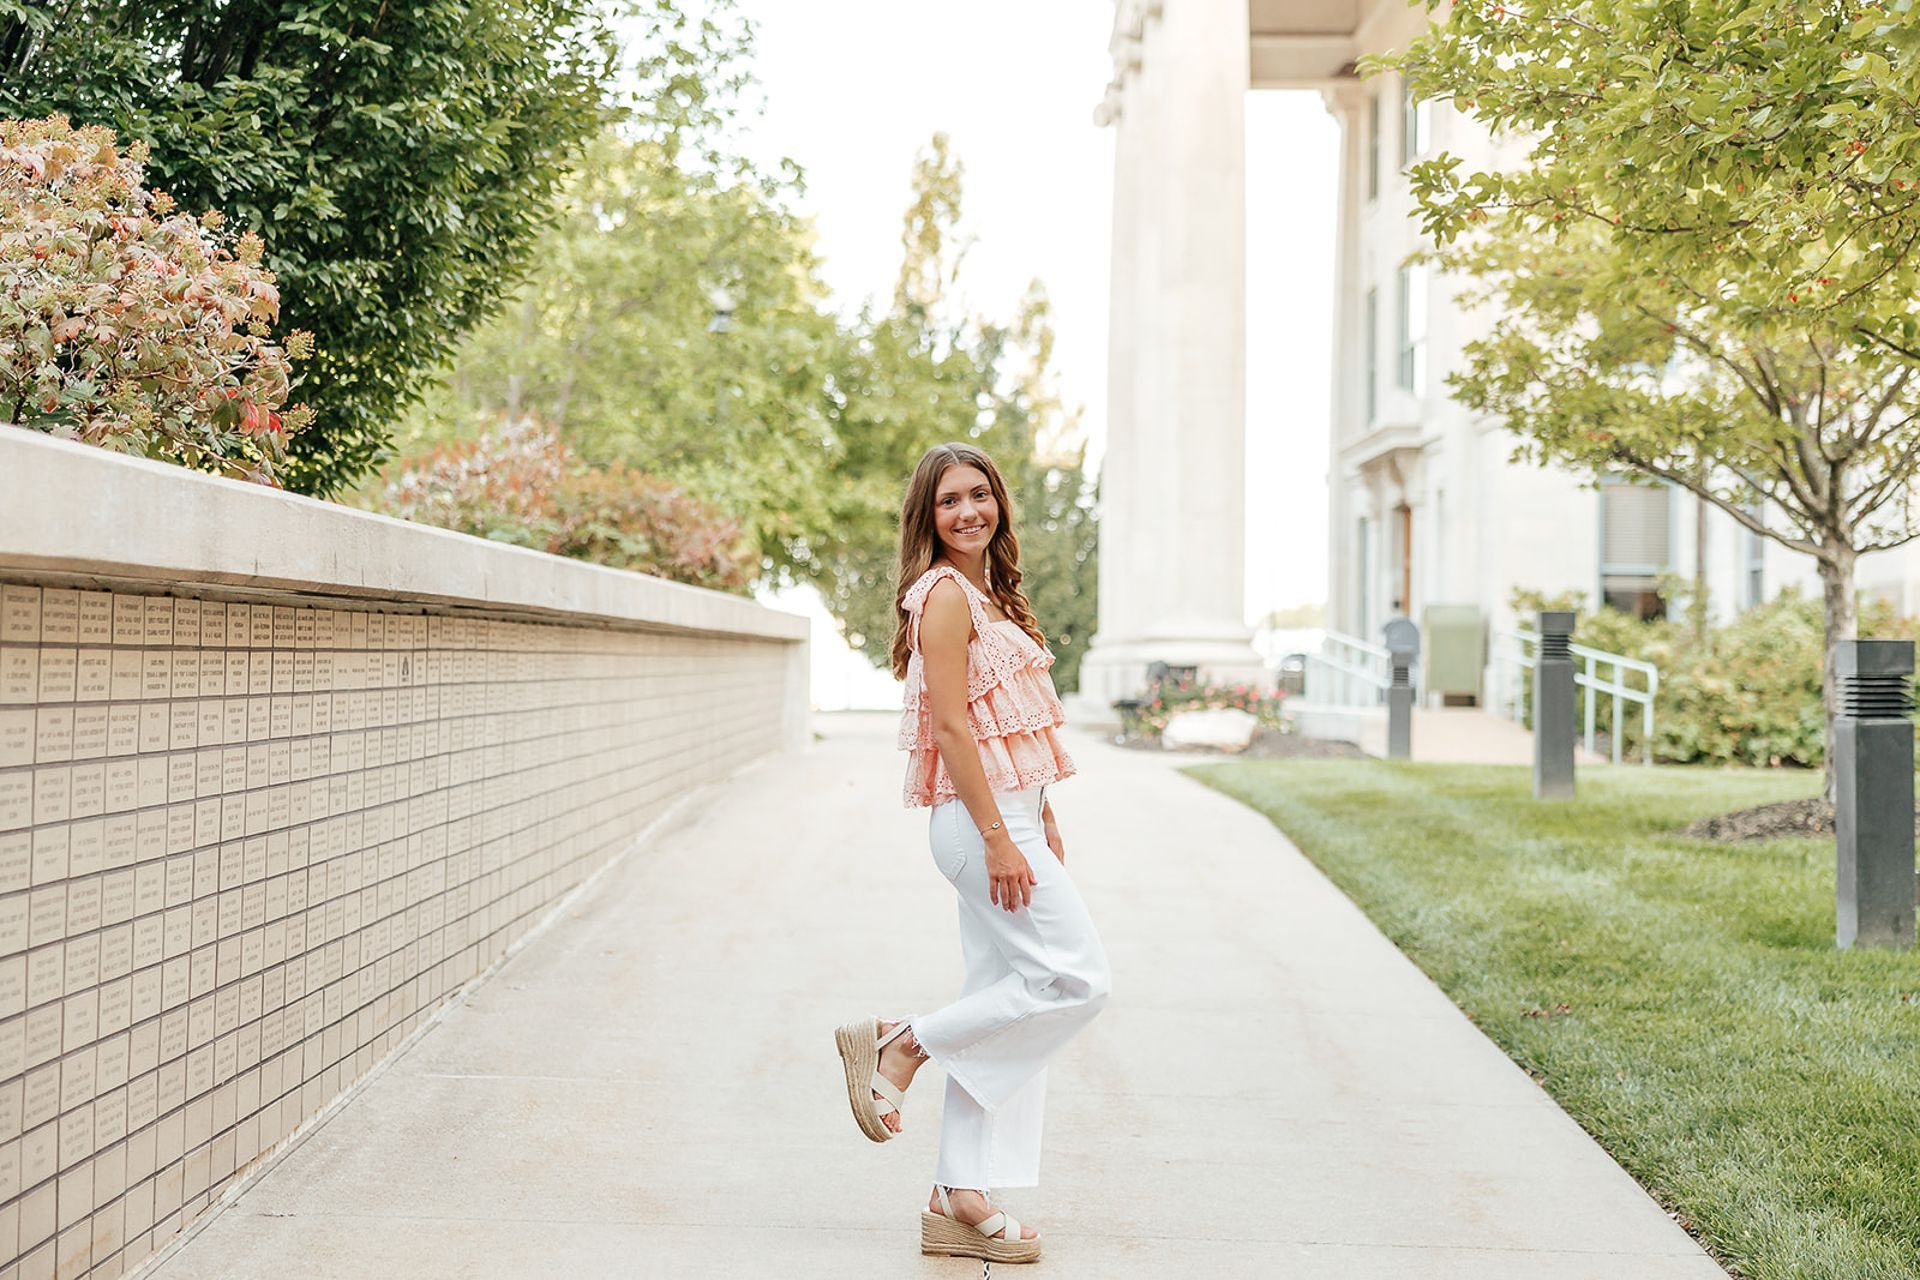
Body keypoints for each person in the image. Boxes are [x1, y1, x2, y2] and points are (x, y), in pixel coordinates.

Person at [833, 441, 1112, 1265]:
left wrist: (1042, 808)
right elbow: (952, 728)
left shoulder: (990, 595)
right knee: (1078, 979)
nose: (968, 512)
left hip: (1010, 813)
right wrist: (1000, 835)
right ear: (928, 516)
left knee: (1005, 994)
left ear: (998, 505)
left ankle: (962, 1193)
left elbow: (1005, 723)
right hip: (978, 822)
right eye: (950, 500)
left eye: (979, 495)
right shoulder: (945, 597)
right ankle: (905, 1041)